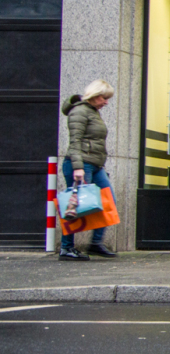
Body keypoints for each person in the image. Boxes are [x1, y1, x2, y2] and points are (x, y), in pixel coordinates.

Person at [60, 79, 117, 261]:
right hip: (80, 164)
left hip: (95, 165)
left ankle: (95, 243)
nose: (106, 102)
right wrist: (78, 168)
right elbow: (75, 141)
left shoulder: (92, 112)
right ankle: (66, 248)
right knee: (75, 206)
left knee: (108, 201)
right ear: (94, 95)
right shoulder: (79, 111)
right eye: (104, 98)